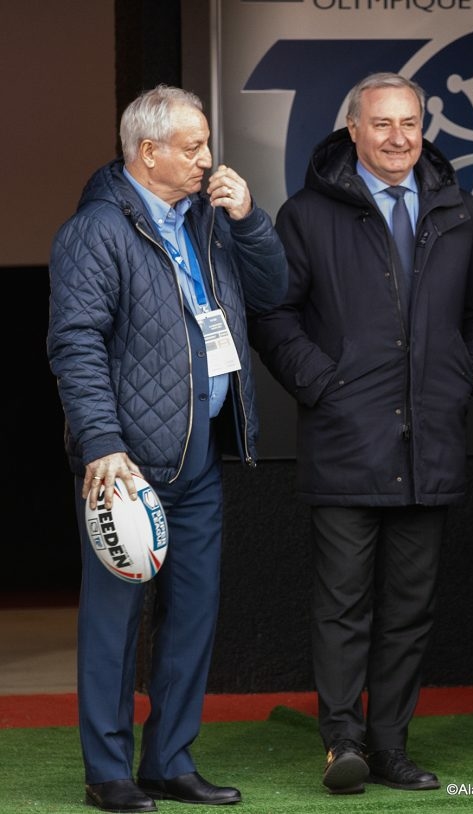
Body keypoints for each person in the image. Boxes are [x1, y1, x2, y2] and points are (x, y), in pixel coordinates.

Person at [250, 72, 473, 794]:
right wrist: (320, 383)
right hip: (344, 440)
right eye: (382, 124)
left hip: (431, 440)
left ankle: (390, 748)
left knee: (410, 608)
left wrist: (470, 375)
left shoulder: (458, 208)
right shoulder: (306, 214)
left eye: (410, 123)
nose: (398, 137)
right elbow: (274, 315)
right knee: (343, 604)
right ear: (353, 131)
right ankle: (343, 743)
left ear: (423, 128)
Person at [47, 85, 288, 813]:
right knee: (114, 625)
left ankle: (170, 760)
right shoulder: (97, 230)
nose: (207, 159)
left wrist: (250, 220)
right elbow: (75, 343)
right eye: (193, 147)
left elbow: (274, 291)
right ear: (147, 152)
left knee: (194, 616)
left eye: (207, 144)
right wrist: (101, 444)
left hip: (199, 461)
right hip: (125, 468)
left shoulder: (210, 219)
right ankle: (108, 772)